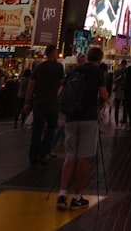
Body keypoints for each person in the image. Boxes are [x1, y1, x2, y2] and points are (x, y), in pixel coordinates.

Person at [56, 46, 108, 212]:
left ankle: (62, 195)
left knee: (70, 156)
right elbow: (104, 95)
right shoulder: (96, 73)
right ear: (99, 58)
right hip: (88, 119)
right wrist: (100, 105)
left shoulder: (74, 71)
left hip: (71, 118)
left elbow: (61, 92)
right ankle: (77, 197)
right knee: (84, 158)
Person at [26, 45, 65, 166]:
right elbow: (61, 83)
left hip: (39, 101)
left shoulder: (38, 67)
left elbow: (31, 86)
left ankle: (33, 155)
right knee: (51, 128)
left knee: (37, 129)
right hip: (52, 101)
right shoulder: (58, 67)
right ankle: (43, 152)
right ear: (53, 53)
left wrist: (27, 102)